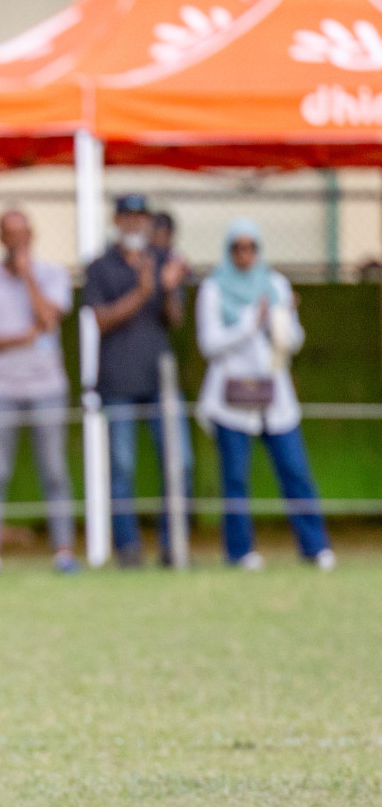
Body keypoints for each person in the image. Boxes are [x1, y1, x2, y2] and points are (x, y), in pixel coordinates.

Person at [197, 219, 334, 571]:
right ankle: (240, 551)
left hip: (276, 399)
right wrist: (249, 324)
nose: (244, 255)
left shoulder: (275, 285)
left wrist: (281, 320)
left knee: (295, 471)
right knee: (236, 477)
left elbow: (294, 341)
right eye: (237, 248)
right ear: (229, 252)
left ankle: (315, 547)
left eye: (250, 247)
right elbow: (209, 344)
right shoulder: (213, 289)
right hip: (232, 400)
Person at [0, 210, 77, 574]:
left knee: (55, 469)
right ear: (0, 238)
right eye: (10, 235)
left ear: (33, 235)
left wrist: (27, 275)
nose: (17, 241)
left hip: (47, 386)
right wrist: (18, 338)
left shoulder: (53, 275)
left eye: (23, 233)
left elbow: (48, 319)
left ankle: (64, 552)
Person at [81, 193, 193, 567]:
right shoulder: (99, 267)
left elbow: (173, 320)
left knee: (180, 463)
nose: (134, 224)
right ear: (116, 221)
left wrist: (168, 288)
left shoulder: (163, 260)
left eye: (140, 218)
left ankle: (171, 545)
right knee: (122, 468)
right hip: (117, 382)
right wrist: (145, 289)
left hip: (160, 380)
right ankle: (128, 549)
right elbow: (100, 320)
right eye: (127, 217)